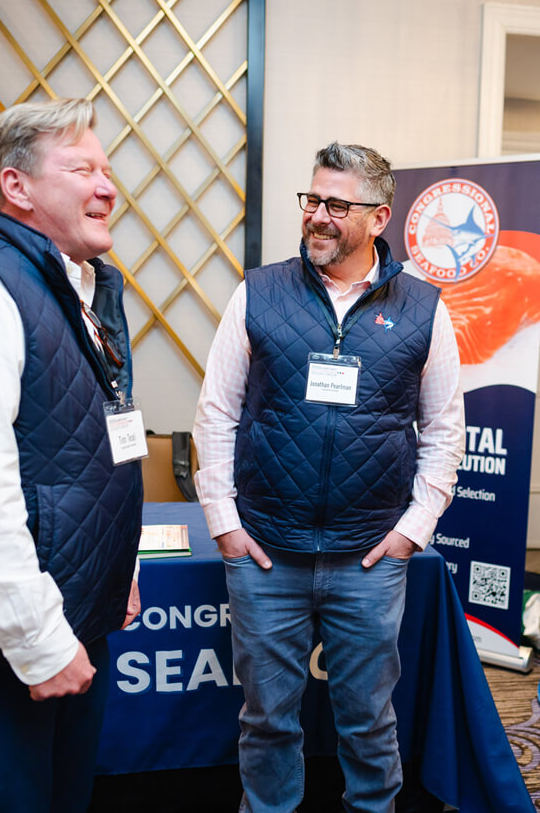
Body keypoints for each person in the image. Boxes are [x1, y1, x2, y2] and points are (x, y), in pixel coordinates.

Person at [193, 142, 465, 813]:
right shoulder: (259, 291)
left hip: (368, 560)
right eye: (310, 200)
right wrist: (224, 525)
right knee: (266, 724)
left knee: (369, 724)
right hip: (265, 557)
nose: (316, 216)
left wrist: (411, 531)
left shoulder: (423, 308)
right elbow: (217, 412)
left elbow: (442, 430)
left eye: (335, 205)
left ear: (378, 217)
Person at [0, 98, 144, 813]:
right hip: (3, 649)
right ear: (17, 188)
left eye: (108, 169)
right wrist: (37, 639)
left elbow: (94, 449)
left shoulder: (88, 291)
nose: (107, 186)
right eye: (82, 168)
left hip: (74, 616)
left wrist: (119, 568)